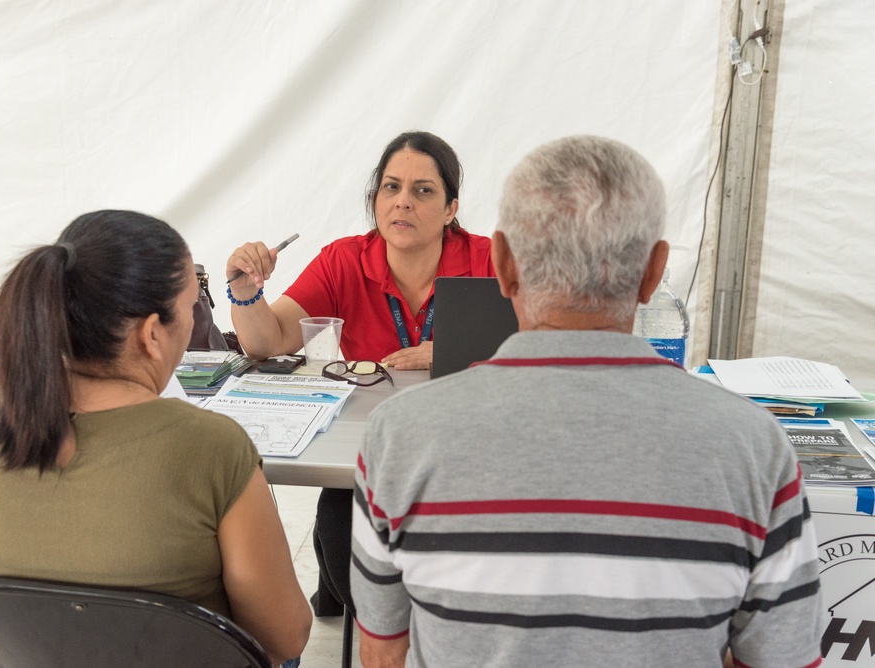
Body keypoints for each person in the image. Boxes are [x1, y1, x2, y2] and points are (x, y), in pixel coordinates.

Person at [350, 136, 824, 667]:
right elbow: (784, 659)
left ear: (502, 264)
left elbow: (382, 653)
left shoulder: (397, 435)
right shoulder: (758, 447)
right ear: (653, 272)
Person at [0, 210, 311, 666]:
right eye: (191, 308)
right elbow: (283, 637)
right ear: (151, 334)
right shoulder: (214, 447)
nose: (195, 324)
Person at [225, 131, 494, 618]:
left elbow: (544, 344)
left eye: (423, 191)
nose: (402, 203)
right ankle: (376, 619)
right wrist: (246, 293)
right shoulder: (343, 259)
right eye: (390, 188)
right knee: (338, 514)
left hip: (464, 447)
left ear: (452, 208)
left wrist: (451, 351)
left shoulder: (490, 259)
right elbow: (268, 341)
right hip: (370, 449)